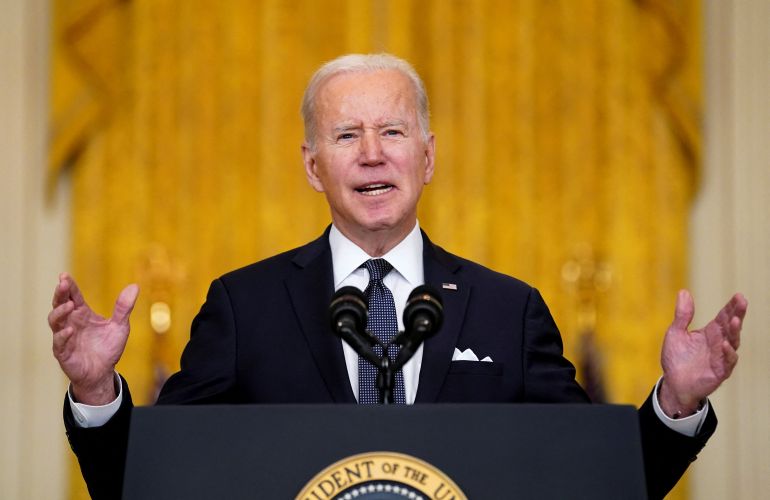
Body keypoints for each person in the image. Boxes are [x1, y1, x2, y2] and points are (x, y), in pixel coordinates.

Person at [49, 53, 748, 500]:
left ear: (429, 155)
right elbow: (149, 482)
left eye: (394, 132)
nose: (373, 155)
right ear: (313, 165)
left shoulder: (508, 309)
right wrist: (95, 392)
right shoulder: (245, 305)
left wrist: (675, 407)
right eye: (347, 136)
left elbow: (592, 480)